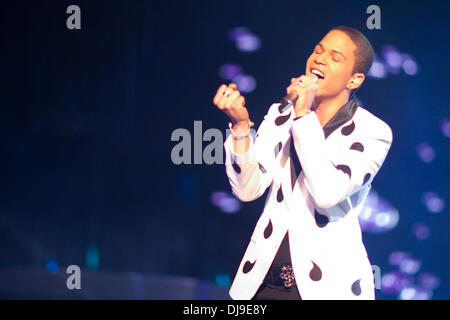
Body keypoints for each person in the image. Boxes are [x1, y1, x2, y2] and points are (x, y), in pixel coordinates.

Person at [212, 26, 392, 300]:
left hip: (327, 290)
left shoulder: (372, 131)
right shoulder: (281, 114)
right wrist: (240, 126)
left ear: (354, 80)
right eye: (318, 51)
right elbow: (247, 189)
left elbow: (327, 192)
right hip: (265, 284)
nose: (320, 59)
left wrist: (303, 115)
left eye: (335, 57)